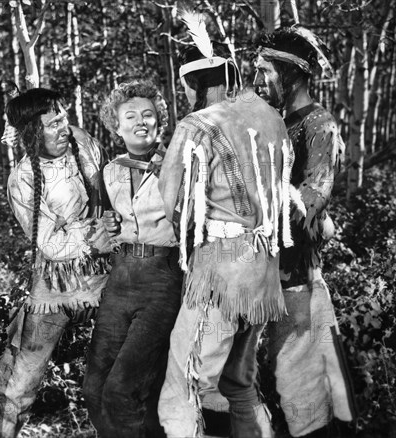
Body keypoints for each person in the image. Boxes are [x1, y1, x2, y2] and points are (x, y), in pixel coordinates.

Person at [156, 11, 294, 438]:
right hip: (262, 274)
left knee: (186, 383)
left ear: (201, 84)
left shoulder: (197, 125)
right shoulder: (272, 119)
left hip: (219, 271)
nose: (192, 95)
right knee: (235, 384)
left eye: (193, 87)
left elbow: (171, 200)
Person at [0, 88, 111, 438]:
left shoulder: (82, 143)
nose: (64, 126)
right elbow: (50, 242)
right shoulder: (23, 178)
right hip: (54, 285)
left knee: (115, 372)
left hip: (105, 277)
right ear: (32, 132)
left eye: (64, 116)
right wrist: (94, 232)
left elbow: (108, 192)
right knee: (20, 380)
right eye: (53, 122)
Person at [254, 26, 356, 437]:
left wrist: (257, 192)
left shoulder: (321, 126)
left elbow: (310, 205)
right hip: (262, 278)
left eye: (266, 71)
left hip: (299, 284)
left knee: (307, 402)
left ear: (292, 74)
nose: (259, 81)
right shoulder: (273, 121)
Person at [82, 80, 183, 438]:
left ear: (160, 122)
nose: (141, 122)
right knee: (94, 389)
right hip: (121, 277)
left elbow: (195, 223)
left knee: (124, 388)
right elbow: (99, 237)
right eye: (131, 116)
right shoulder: (109, 172)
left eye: (149, 115)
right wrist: (105, 230)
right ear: (117, 125)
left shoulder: (178, 165)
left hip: (163, 277)